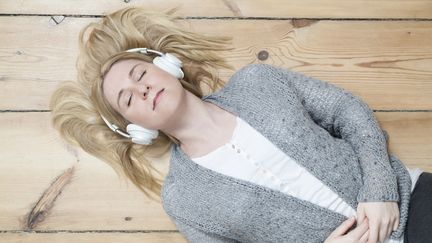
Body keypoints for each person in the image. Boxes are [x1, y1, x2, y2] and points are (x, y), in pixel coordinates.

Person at [49, 6, 430, 243]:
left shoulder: (258, 82)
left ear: (165, 64)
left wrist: (380, 191)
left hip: (415, 202)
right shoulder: (183, 200)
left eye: (138, 73)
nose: (141, 88)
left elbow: (348, 110)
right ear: (135, 128)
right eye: (127, 99)